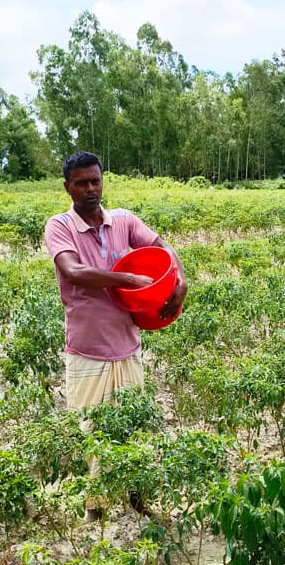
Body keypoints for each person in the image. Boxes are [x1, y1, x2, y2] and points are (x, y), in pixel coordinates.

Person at [43, 151, 187, 521]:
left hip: (127, 346)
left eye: (95, 180)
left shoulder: (123, 220)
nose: (90, 189)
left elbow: (162, 247)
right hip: (88, 351)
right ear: (67, 187)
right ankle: (95, 511)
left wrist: (180, 280)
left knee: (134, 428)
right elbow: (73, 271)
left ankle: (137, 500)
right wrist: (125, 278)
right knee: (92, 432)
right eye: (81, 183)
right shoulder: (60, 226)